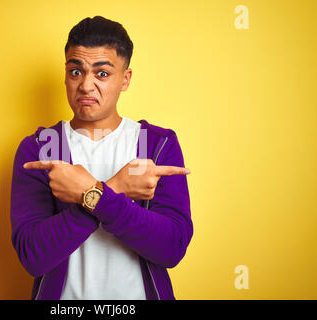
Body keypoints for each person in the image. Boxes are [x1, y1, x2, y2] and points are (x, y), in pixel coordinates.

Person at [10, 16, 193, 300]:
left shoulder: (156, 144)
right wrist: (116, 187)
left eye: (102, 74)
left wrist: (90, 193)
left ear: (125, 79)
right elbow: (34, 256)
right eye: (75, 71)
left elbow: (171, 249)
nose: (85, 85)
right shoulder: (42, 147)